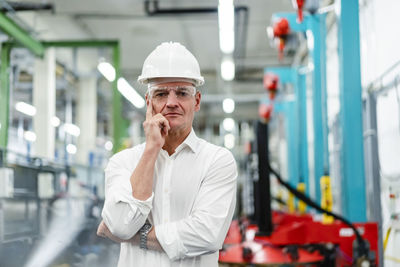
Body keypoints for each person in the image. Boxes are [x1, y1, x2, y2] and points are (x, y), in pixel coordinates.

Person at [97, 42, 237, 267]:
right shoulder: (122, 162)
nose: (172, 103)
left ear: (197, 101)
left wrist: (136, 236)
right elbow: (120, 225)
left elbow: (207, 235)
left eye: (182, 93)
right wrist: (152, 149)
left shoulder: (217, 161)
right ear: (149, 102)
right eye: (161, 94)